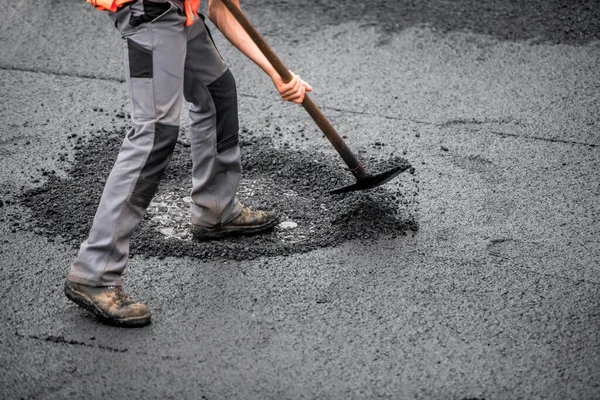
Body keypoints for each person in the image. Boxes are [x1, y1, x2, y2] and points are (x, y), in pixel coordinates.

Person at [64, 0, 312, 327]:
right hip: (150, 10)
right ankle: (94, 272)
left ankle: (216, 208)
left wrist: (278, 74)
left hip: (180, 9)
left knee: (216, 91)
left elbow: (224, 10)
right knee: (155, 133)